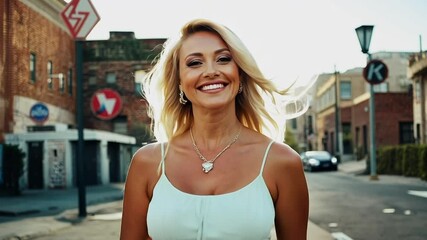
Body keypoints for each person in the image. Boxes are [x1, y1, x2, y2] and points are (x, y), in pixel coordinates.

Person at [120, 18, 309, 240]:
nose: (211, 71)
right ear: (180, 81)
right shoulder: (147, 163)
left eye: (223, 59)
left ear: (240, 74)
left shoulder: (282, 162)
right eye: (194, 63)